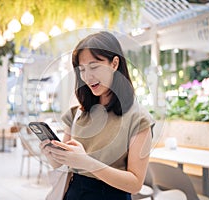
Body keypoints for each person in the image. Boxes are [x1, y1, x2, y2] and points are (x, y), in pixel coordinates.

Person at [40, 31, 155, 200]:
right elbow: (63, 164)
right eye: (82, 70)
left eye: (94, 67)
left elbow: (136, 184)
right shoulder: (78, 112)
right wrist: (51, 154)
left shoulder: (138, 118)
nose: (87, 76)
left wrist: (86, 162)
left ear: (114, 63)